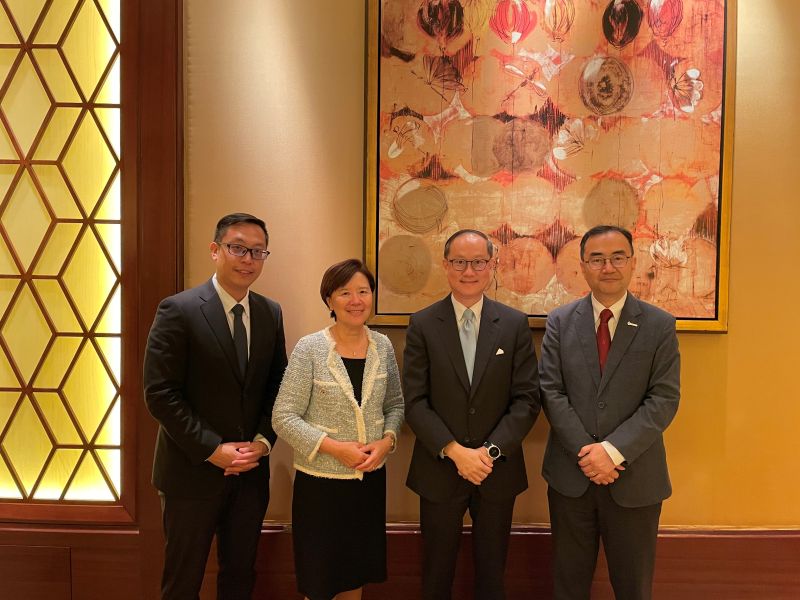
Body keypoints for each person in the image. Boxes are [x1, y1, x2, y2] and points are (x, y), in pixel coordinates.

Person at [143, 213, 287, 599]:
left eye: (258, 251)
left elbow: (278, 385)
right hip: (191, 473)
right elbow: (160, 393)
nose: (248, 259)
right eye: (238, 248)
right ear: (215, 250)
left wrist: (262, 440)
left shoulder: (270, 313)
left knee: (240, 576)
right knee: (182, 580)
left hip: (251, 473)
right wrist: (211, 449)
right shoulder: (178, 309)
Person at [540, 224, 681, 600]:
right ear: (583, 266)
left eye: (618, 257)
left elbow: (664, 399)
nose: (608, 267)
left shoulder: (660, 326)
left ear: (633, 263)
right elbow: (551, 391)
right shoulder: (560, 322)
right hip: (572, 476)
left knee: (634, 588)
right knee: (568, 586)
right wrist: (588, 453)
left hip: (636, 479)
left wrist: (611, 452)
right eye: (597, 259)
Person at [403, 229, 541, 600]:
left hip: (497, 470)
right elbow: (414, 401)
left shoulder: (513, 324)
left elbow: (527, 399)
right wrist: (454, 450)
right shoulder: (423, 324)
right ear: (446, 265)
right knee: (436, 572)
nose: (469, 271)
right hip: (439, 468)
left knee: (492, 573)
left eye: (478, 262)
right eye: (460, 262)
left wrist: (489, 452)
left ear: (492, 265)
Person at [272, 259, 404, 600]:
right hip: (320, 488)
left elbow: (396, 406)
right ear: (329, 300)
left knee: (355, 576)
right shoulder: (310, 348)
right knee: (320, 582)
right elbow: (283, 416)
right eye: (345, 293)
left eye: (363, 291)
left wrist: (387, 442)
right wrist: (336, 448)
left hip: (368, 484)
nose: (356, 300)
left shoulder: (383, 346)